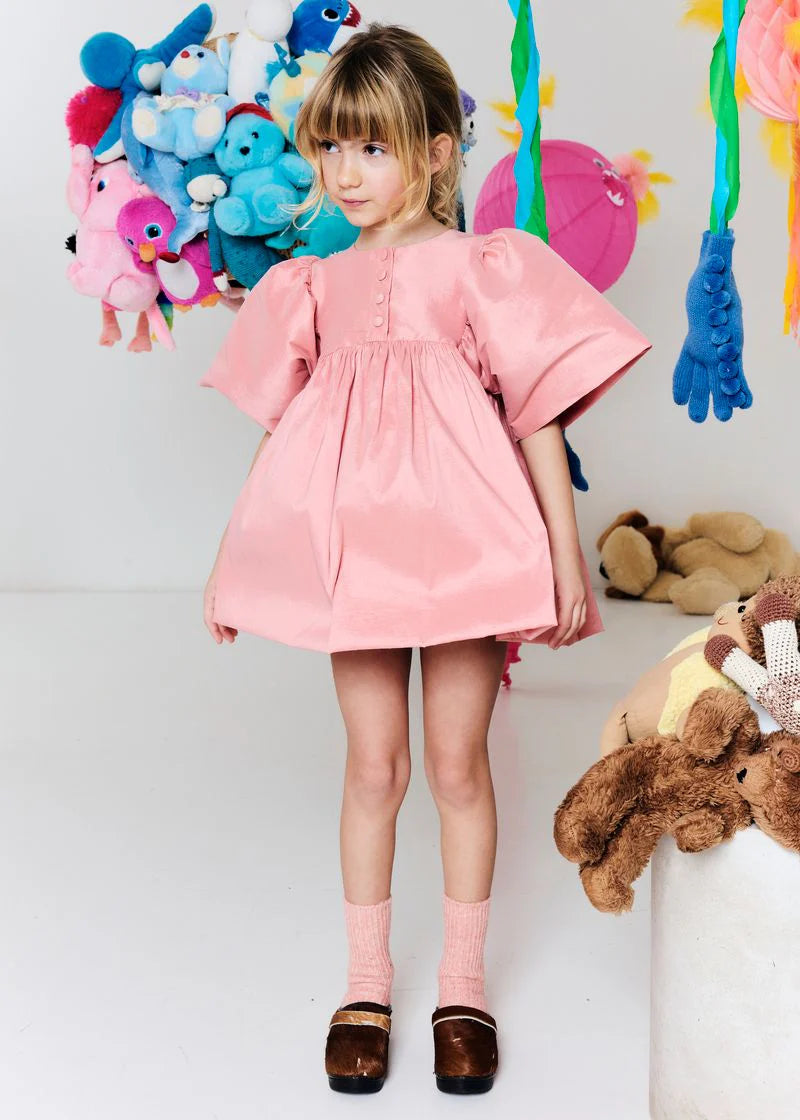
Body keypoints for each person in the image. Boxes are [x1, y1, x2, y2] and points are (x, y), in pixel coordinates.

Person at [198, 21, 651, 1097]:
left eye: (374, 148)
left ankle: (461, 984)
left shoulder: (482, 269)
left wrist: (563, 557)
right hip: (354, 557)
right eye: (332, 149)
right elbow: (283, 433)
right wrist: (232, 559)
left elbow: (536, 414)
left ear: (439, 151)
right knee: (374, 767)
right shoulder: (314, 284)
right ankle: (366, 983)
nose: (347, 173)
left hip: (462, 549)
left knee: (455, 766)